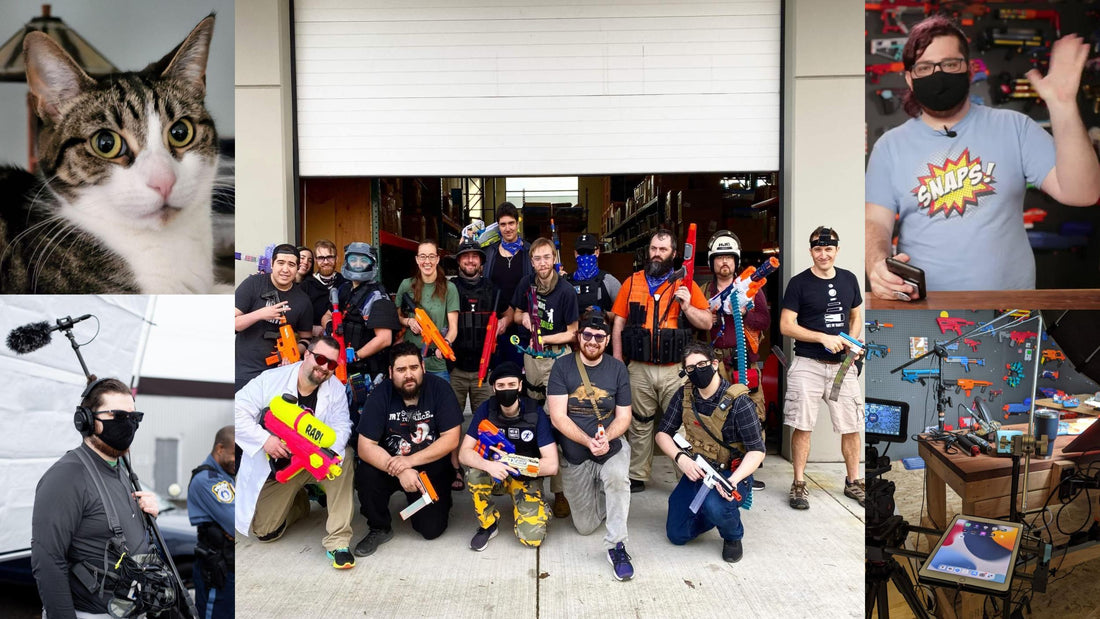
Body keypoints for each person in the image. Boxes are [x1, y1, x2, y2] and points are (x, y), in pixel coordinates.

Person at [866, 16, 1100, 297]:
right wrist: (876, 263)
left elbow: (1083, 193)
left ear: (969, 69)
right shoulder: (889, 147)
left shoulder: (1015, 127)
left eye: (950, 64)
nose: (938, 75)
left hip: (1010, 307)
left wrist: (1062, 104)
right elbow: (876, 222)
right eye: (925, 67)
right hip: (923, 305)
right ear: (909, 79)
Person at [32, 378, 164, 618]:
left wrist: (147, 517)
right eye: (118, 416)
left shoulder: (120, 470)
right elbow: (48, 560)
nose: (128, 425)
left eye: (134, 417)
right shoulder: (66, 476)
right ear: (86, 420)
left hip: (132, 609)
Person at [235, 337, 357, 569]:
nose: (324, 367)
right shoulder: (271, 380)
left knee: (345, 458)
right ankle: (300, 503)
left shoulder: (335, 388)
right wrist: (265, 440)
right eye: (320, 359)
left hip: (313, 461)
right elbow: (236, 409)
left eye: (331, 364)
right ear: (306, 355)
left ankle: (338, 542)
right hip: (281, 467)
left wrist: (325, 453)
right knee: (265, 532)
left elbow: (342, 426)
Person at [611, 229, 711, 493]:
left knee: (680, 424)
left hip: (674, 370)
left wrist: (688, 306)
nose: (657, 254)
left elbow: (707, 322)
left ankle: (686, 473)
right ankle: (637, 474)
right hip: (639, 368)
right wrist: (618, 359)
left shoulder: (686, 284)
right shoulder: (631, 282)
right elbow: (619, 322)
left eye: (663, 249)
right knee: (639, 422)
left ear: (674, 254)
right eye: (654, 248)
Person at [779, 227, 864, 510]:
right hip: (808, 365)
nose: (823, 254)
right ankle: (799, 483)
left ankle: (853, 481)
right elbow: (786, 325)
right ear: (810, 251)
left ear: (837, 250)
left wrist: (851, 343)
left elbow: (856, 315)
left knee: (851, 425)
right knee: (803, 425)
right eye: (818, 249)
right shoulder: (799, 283)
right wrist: (822, 338)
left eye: (829, 249)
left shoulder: (849, 279)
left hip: (842, 368)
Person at [655, 344, 765, 563]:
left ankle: (732, 535)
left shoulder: (739, 402)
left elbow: (757, 451)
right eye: (690, 368)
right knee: (677, 534)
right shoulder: (685, 394)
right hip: (698, 470)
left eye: (702, 364)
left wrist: (733, 481)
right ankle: (711, 515)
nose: (697, 370)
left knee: (716, 506)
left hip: (730, 473)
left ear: (714, 364)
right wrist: (681, 459)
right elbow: (662, 434)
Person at [546, 310, 635, 581]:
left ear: (607, 340)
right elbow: (558, 417)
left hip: (611, 448)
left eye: (599, 336)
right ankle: (606, 495)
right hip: (576, 454)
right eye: (587, 335)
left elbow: (624, 417)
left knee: (618, 479)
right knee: (584, 527)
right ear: (578, 336)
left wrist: (606, 438)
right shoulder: (562, 367)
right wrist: (587, 441)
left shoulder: (618, 369)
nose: (592, 341)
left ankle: (617, 546)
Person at [354, 342, 462, 557]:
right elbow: (365, 447)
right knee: (366, 472)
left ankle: (440, 499)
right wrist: (402, 469)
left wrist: (410, 461)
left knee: (431, 530)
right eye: (401, 370)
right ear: (391, 372)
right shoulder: (380, 394)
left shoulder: (440, 389)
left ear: (423, 367)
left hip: (429, 465)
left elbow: (451, 439)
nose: (408, 375)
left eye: (413, 367)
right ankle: (379, 527)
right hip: (391, 465)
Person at [511, 236, 579, 517]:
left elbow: (573, 332)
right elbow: (515, 314)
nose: (542, 263)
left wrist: (544, 338)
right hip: (532, 358)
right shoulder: (526, 284)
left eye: (546, 257)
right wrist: (524, 319)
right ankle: (532, 484)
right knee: (531, 420)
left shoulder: (566, 291)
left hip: (558, 359)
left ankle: (560, 492)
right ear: (532, 261)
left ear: (554, 259)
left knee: (557, 423)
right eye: (537, 258)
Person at [457, 362, 558, 550]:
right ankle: (488, 524)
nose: (506, 389)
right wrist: (488, 466)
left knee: (532, 539)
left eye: (511, 384)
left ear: (520, 386)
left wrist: (512, 462)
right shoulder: (486, 409)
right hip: (496, 474)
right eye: (501, 385)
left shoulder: (534, 412)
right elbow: (464, 453)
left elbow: (552, 465)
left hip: (525, 477)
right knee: (475, 473)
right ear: (494, 388)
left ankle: (538, 508)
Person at [703, 230, 770, 490]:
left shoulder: (750, 288)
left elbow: (764, 320)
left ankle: (747, 474)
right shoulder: (705, 292)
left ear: (736, 260)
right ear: (712, 262)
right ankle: (718, 468)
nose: (725, 262)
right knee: (715, 417)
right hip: (714, 364)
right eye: (720, 258)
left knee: (751, 416)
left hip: (744, 364)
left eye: (729, 257)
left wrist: (744, 312)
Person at [449, 238, 511, 489]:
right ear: (459, 261)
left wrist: (505, 321)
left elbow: (508, 312)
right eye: (465, 256)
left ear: (481, 262)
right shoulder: (450, 289)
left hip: (484, 372)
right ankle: (455, 470)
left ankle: (490, 471)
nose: (470, 260)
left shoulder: (493, 290)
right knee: (451, 425)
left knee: (488, 425)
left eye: (475, 256)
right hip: (454, 369)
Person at [234, 243, 313, 390]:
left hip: (279, 376)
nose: (285, 269)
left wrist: (292, 353)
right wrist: (260, 314)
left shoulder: (303, 300)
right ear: (272, 263)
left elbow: (307, 339)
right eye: (280, 263)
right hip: (244, 373)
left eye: (291, 264)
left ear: (297, 268)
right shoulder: (253, 284)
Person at [187, 425, 236, 618]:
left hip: (229, 566)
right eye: (235, 454)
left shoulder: (226, 475)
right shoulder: (208, 480)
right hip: (218, 571)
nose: (238, 460)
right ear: (220, 449)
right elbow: (236, 525)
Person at [396, 240, 459, 381]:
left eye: (431, 256)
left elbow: (453, 328)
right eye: (423, 256)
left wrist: (445, 343)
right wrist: (408, 321)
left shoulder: (449, 288)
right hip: (410, 361)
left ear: (437, 259)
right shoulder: (406, 285)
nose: (427, 261)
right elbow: (396, 317)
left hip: (437, 364)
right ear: (417, 259)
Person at [483, 202, 532, 369]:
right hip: (496, 326)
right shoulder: (490, 253)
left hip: (522, 325)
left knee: (519, 373)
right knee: (495, 373)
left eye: (511, 223)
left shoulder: (529, 252)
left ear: (517, 224)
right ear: (498, 226)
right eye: (503, 224)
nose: (508, 228)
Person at [565, 232, 621, 313]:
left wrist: (604, 314)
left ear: (597, 252)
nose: (585, 256)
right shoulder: (566, 283)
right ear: (575, 254)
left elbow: (623, 314)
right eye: (581, 252)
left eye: (589, 252)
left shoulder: (609, 281)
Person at [301, 239, 347, 336]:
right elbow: (297, 318)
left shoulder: (346, 283)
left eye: (330, 257)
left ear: (336, 258)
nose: (325, 262)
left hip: (343, 337)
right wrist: (312, 329)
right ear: (315, 260)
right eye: (321, 258)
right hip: (313, 339)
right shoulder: (305, 286)